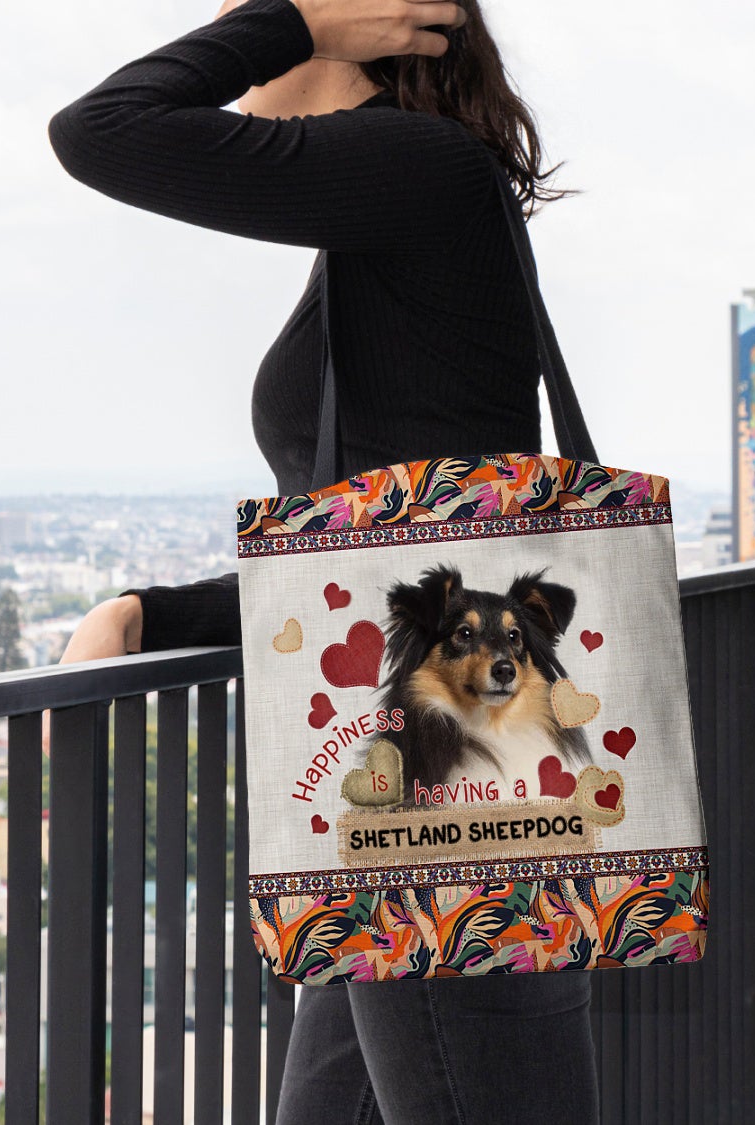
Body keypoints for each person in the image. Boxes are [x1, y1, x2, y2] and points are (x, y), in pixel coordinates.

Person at [48, 1, 601, 1121]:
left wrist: (297, 23)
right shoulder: (402, 203)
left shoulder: (418, 168)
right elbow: (383, 567)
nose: (229, 27)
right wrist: (156, 614)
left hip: (442, 802)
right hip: (413, 787)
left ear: (361, 23)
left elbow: (100, 128)